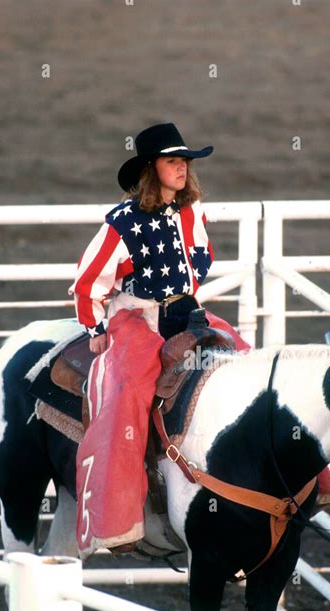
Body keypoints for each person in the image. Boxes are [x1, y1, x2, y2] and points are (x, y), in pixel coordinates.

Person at [68, 123, 249, 557]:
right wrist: (95, 327)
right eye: (173, 161)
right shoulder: (123, 222)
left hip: (185, 309)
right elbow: (88, 280)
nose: (182, 168)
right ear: (152, 168)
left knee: (241, 354)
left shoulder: (190, 209)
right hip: (137, 314)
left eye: (185, 161)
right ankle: (118, 515)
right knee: (131, 385)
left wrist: (184, 291)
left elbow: (203, 254)